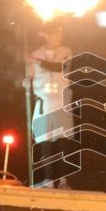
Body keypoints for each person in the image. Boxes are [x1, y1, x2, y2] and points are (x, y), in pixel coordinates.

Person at [29, 23, 73, 187]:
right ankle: (48, 179)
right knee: (44, 141)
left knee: (62, 140)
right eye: (55, 34)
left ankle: (62, 180)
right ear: (46, 35)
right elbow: (29, 76)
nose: (59, 38)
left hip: (61, 102)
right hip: (43, 103)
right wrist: (25, 78)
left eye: (60, 35)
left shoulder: (66, 52)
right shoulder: (35, 54)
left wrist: (36, 61)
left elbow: (61, 67)